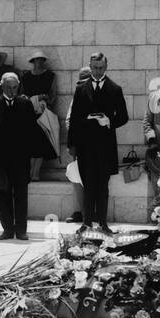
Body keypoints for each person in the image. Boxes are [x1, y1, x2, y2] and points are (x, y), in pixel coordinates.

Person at [68, 52, 128, 233]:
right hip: (85, 145)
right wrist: (72, 145)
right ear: (90, 66)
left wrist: (109, 121)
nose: (98, 71)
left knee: (102, 185)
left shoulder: (115, 89)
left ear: (106, 67)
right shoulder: (81, 89)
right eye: (94, 68)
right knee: (88, 184)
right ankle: (86, 223)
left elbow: (123, 117)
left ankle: (103, 223)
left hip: (105, 146)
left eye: (101, 68)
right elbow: (74, 120)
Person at [0, 72, 43, 241]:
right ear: (2, 86)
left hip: (21, 158)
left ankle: (21, 230)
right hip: (1, 159)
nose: (11, 91)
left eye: (15, 87)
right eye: (8, 87)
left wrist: (33, 158)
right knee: (3, 194)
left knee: (21, 194)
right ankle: (8, 229)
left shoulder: (25, 104)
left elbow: (32, 132)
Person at [22, 50, 60, 179]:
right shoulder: (26, 77)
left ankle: (35, 174)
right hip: (28, 115)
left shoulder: (50, 76)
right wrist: (33, 99)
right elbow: (21, 95)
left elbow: (53, 96)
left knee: (41, 145)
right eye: (37, 60)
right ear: (32, 61)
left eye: (41, 60)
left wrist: (44, 99)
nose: (39, 62)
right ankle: (30, 173)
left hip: (43, 115)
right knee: (30, 145)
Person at [63, 66, 92, 221]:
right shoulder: (77, 97)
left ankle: (93, 213)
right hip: (79, 146)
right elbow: (69, 120)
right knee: (76, 177)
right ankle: (81, 212)